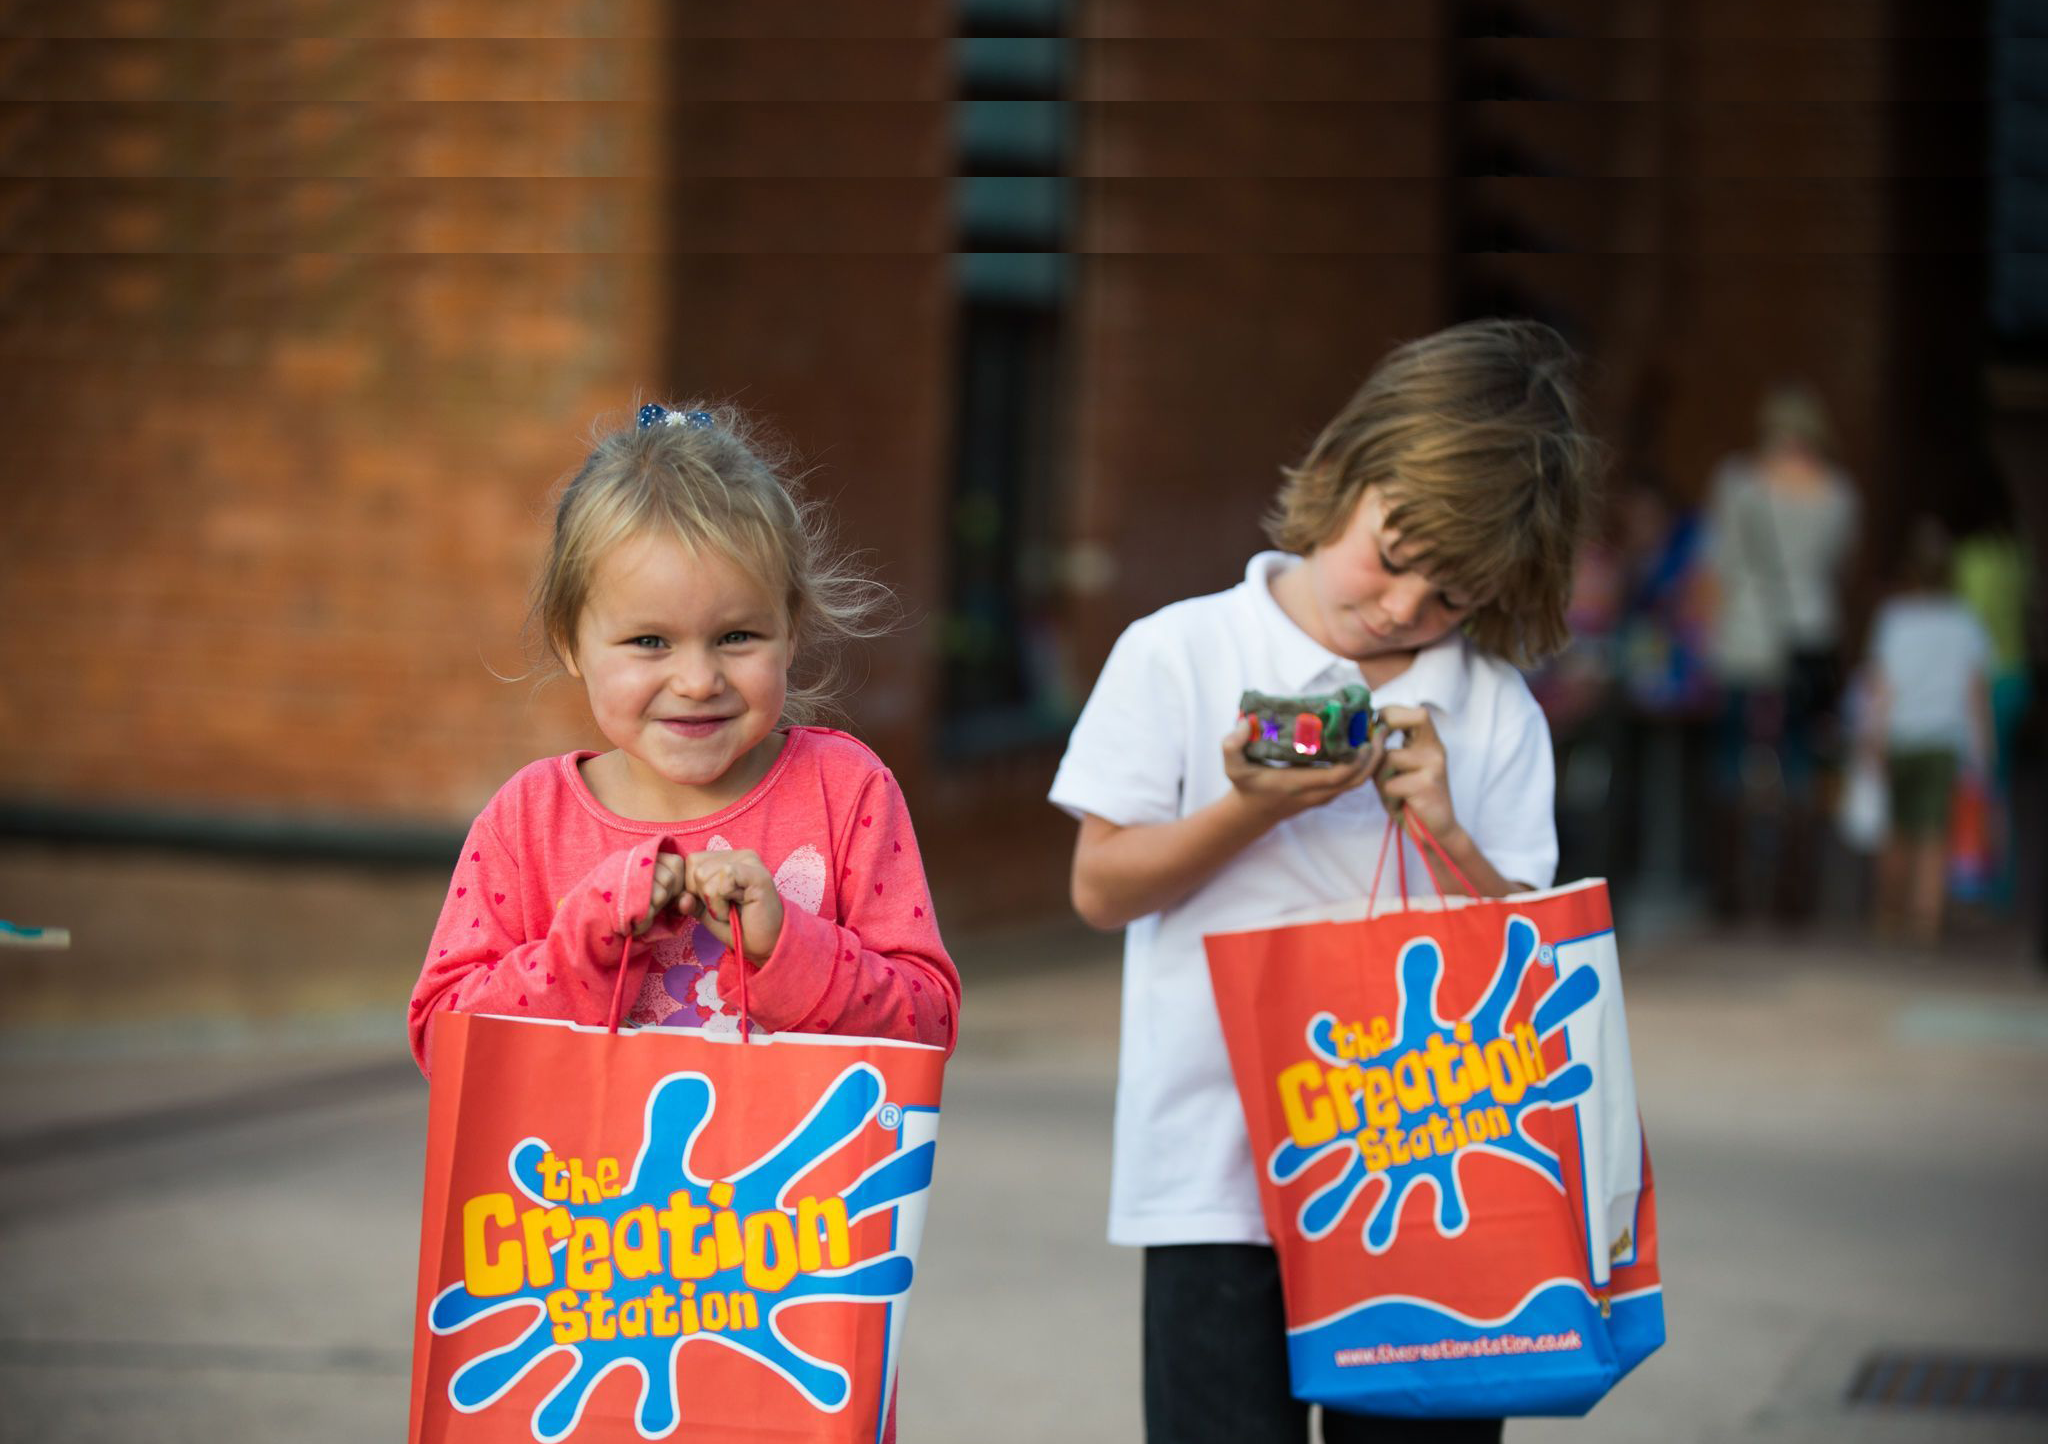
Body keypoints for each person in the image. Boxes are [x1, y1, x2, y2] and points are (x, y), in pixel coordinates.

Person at [1050, 320, 1598, 1444]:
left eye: (1450, 596)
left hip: (1428, 1170)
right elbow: (1100, 887)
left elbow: (1524, 961)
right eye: (1392, 557)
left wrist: (1440, 827)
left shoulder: (1492, 711)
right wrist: (1252, 805)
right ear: (1347, 475)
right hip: (1216, 1170)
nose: (1402, 609)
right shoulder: (1179, 650)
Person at [408, 402, 960, 1077]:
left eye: (736, 637)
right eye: (649, 642)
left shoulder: (845, 791)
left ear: (791, 631)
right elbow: (445, 1044)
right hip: (577, 1183)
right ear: (571, 644)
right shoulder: (528, 820)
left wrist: (789, 945)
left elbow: (928, 1029)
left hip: (796, 1183)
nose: (698, 680)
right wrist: (584, 940)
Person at [1699, 382, 1860, 921]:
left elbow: (1717, 563)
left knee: (1730, 760)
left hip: (1743, 634)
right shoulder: (1838, 494)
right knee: (1800, 765)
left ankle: (1730, 895)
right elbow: (1835, 566)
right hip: (1807, 637)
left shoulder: (1737, 482)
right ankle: (1795, 898)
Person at [1862, 517, 1995, 946]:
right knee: (1933, 835)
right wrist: (1983, 749)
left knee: (1896, 831)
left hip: (1901, 735)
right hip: (1943, 739)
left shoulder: (1894, 619)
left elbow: (1881, 688)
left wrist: (1873, 739)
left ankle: (1889, 913)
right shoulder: (1965, 623)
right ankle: (1925, 920)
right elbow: (1975, 695)